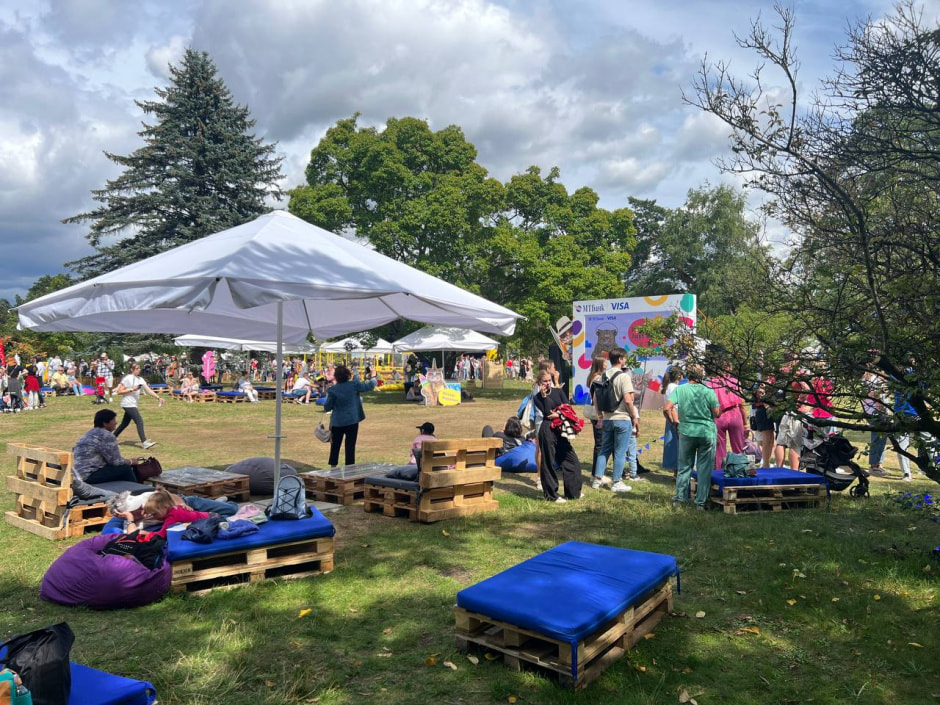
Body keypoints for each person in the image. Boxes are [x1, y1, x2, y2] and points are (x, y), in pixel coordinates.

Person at [664, 364, 720, 510]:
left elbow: (666, 408)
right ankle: (700, 502)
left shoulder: (680, 389)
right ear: (702, 376)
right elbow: (716, 413)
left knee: (684, 467)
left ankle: (679, 499)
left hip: (686, 431)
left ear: (688, 375)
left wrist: (673, 423)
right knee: (704, 468)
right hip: (706, 432)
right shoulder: (708, 390)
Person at [591, 347, 640, 492]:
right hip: (622, 418)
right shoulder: (624, 377)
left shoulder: (602, 376)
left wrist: (600, 416)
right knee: (620, 451)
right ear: (620, 359)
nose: (625, 360)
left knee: (604, 450)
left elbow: (595, 398)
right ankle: (617, 481)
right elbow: (628, 400)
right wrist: (634, 416)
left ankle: (597, 480)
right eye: (624, 358)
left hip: (607, 418)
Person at [534, 369, 583, 503]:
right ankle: (551, 495)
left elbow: (568, 409)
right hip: (547, 429)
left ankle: (573, 492)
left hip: (560, 429)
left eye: (549, 380)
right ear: (539, 383)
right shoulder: (537, 397)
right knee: (548, 462)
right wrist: (544, 397)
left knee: (571, 460)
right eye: (544, 381)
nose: (548, 383)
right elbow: (548, 413)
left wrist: (559, 414)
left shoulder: (558, 391)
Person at [323, 364, 379, 467]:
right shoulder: (354, 385)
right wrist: (373, 376)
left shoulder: (333, 390)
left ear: (336, 377)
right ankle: (350, 468)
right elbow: (370, 386)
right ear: (348, 375)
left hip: (337, 422)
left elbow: (327, 407)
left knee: (335, 446)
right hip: (352, 420)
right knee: (350, 446)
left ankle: (333, 467)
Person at [73, 409, 142, 484]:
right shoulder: (106, 436)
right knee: (126, 469)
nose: (116, 422)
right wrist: (131, 461)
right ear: (105, 423)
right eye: (113, 420)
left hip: (77, 474)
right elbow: (116, 462)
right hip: (89, 476)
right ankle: (137, 489)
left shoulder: (90, 433)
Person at [706, 363, 747, 470]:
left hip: (718, 416)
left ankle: (719, 472)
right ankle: (740, 470)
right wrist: (745, 424)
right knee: (738, 447)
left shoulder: (711, 383)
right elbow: (742, 404)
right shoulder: (735, 382)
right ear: (729, 367)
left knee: (719, 449)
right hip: (735, 415)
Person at [113, 362, 162, 449]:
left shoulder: (140, 379)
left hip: (133, 404)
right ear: (132, 370)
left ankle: (111, 438)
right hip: (127, 404)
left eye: (139, 368)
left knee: (124, 423)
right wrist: (132, 389)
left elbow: (148, 390)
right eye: (137, 368)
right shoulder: (127, 378)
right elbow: (119, 391)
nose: (139, 370)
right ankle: (144, 442)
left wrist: (158, 397)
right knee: (139, 421)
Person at [585, 357, 610, 477]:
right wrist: (600, 415)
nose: (607, 364)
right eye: (605, 362)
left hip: (596, 412)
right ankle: (596, 473)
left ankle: (597, 471)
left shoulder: (593, 376)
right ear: (600, 364)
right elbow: (597, 396)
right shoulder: (598, 378)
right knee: (600, 444)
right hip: (598, 413)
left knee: (599, 443)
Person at [661, 366, 683, 473]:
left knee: (673, 444)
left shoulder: (668, 387)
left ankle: (675, 469)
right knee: (678, 445)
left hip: (670, 417)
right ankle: (677, 470)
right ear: (678, 376)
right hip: (675, 417)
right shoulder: (675, 387)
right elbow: (673, 406)